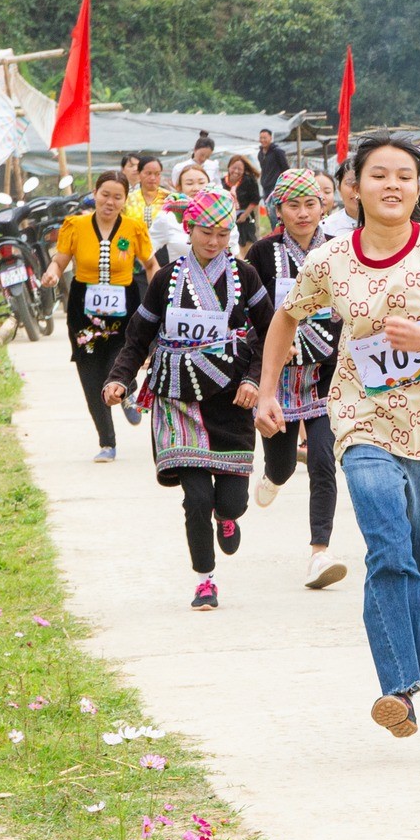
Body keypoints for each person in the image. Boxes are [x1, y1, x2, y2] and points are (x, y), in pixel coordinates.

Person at [255, 135, 420, 739]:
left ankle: (398, 662)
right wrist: (267, 389)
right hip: (362, 418)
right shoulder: (330, 260)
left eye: (405, 176)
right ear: (353, 188)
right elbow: (287, 317)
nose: (393, 185)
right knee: (386, 546)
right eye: (379, 175)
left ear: (418, 189)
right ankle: (399, 690)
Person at [103, 190, 270, 612]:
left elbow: (270, 333)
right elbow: (139, 336)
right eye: (204, 232)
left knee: (230, 500)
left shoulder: (244, 276)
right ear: (189, 230)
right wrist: (120, 378)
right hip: (178, 400)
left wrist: (254, 380)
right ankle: (204, 581)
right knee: (195, 497)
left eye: (221, 233)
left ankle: (227, 516)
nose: (212, 242)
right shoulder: (166, 279)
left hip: (231, 401)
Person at [245, 168, 348, 591]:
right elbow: (250, 315)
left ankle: (319, 553)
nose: (303, 213)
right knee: (285, 465)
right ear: (278, 211)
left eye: (311, 204)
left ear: (323, 207)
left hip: (326, 374)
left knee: (324, 461)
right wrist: (271, 345)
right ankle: (273, 476)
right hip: (279, 381)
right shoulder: (262, 255)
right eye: (293, 205)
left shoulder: (340, 249)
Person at [39, 170, 152, 461]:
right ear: (95, 193)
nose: (110, 202)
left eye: (117, 197)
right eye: (105, 194)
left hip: (123, 312)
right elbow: (61, 259)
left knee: (118, 364)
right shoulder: (75, 225)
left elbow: (150, 264)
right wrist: (52, 273)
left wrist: (159, 297)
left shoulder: (133, 228)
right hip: (84, 312)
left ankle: (127, 389)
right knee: (90, 375)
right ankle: (107, 443)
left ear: (125, 200)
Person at [224, 154, 263, 247]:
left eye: (240, 169)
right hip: (228, 216)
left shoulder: (249, 181)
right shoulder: (222, 182)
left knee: (246, 241)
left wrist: (245, 215)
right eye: (234, 168)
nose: (236, 171)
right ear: (229, 167)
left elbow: (255, 200)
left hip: (245, 214)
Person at [318, 168, 358, 240]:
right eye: (350, 183)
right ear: (339, 189)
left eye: (327, 192)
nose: (357, 189)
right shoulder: (325, 229)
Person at [257, 127, 290, 196]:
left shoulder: (277, 151)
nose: (262, 140)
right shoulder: (260, 153)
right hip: (265, 186)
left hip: (277, 186)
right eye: (261, 138)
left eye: (265, 138)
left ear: (270, 138)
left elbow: (285, 168)